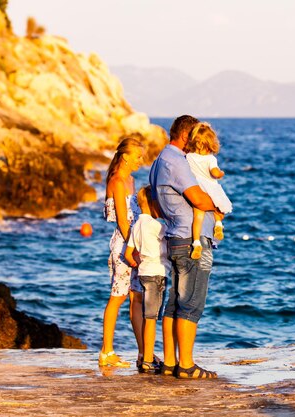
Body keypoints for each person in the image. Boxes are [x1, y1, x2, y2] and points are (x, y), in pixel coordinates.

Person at [149, 115, 220, 379]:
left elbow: (156, 203)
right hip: (192, 241)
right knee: (191, 303)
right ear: (187, 135)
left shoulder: (159, 161)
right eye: (195, 136)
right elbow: (198, 198)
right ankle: (186, 365)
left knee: (175, 303)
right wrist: (219, 206)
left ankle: (170, 362)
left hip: (174, 235)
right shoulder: (176, 161)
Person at [99, 135, 145, 367]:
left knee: (137, 298)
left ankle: (143, 354)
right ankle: (107, 351)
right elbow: (123, 222)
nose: (141, 160)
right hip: (123, 245)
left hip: (134, 244)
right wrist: (132, 247)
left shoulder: (131, 181)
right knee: (118, 297)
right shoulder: (117, 181)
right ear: (126, 156)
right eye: (138, 156)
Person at [124, 185, 171, 373]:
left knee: (147, 316)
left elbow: (128, 254)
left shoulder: (136, 225)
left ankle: (146, 356)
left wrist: (137, 263)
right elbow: (170, 241)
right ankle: (148, 359)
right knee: (151, 318)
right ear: (153, 205)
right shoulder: (157, 225)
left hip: (143, 273)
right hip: (158, 273)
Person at [185, 122, 233, 260]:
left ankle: (196, 242)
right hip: (211, 188)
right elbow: (215, 172)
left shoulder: (189, 157)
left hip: (196, 188)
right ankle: (218, 224)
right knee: (220, 208)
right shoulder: (211, 159)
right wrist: (221, 173)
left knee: (198, 216)